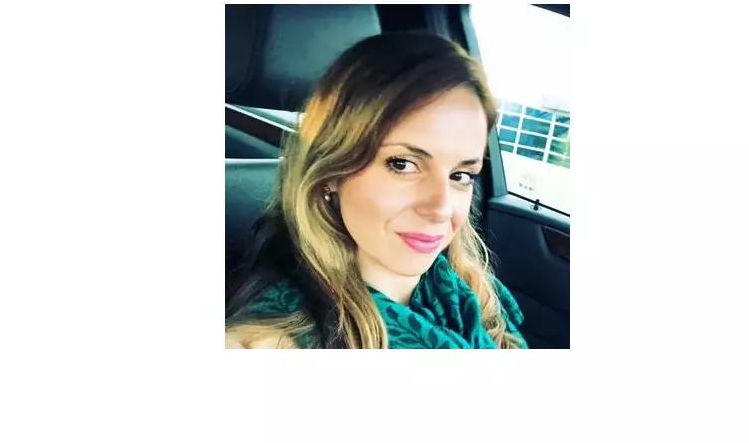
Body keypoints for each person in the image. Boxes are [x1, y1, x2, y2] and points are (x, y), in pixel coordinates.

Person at [225, 31, 528, 349]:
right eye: (402, 164)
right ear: (331, 172)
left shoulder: (470, 292)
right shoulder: (269, 343)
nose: (441, 209)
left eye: (461, 175)